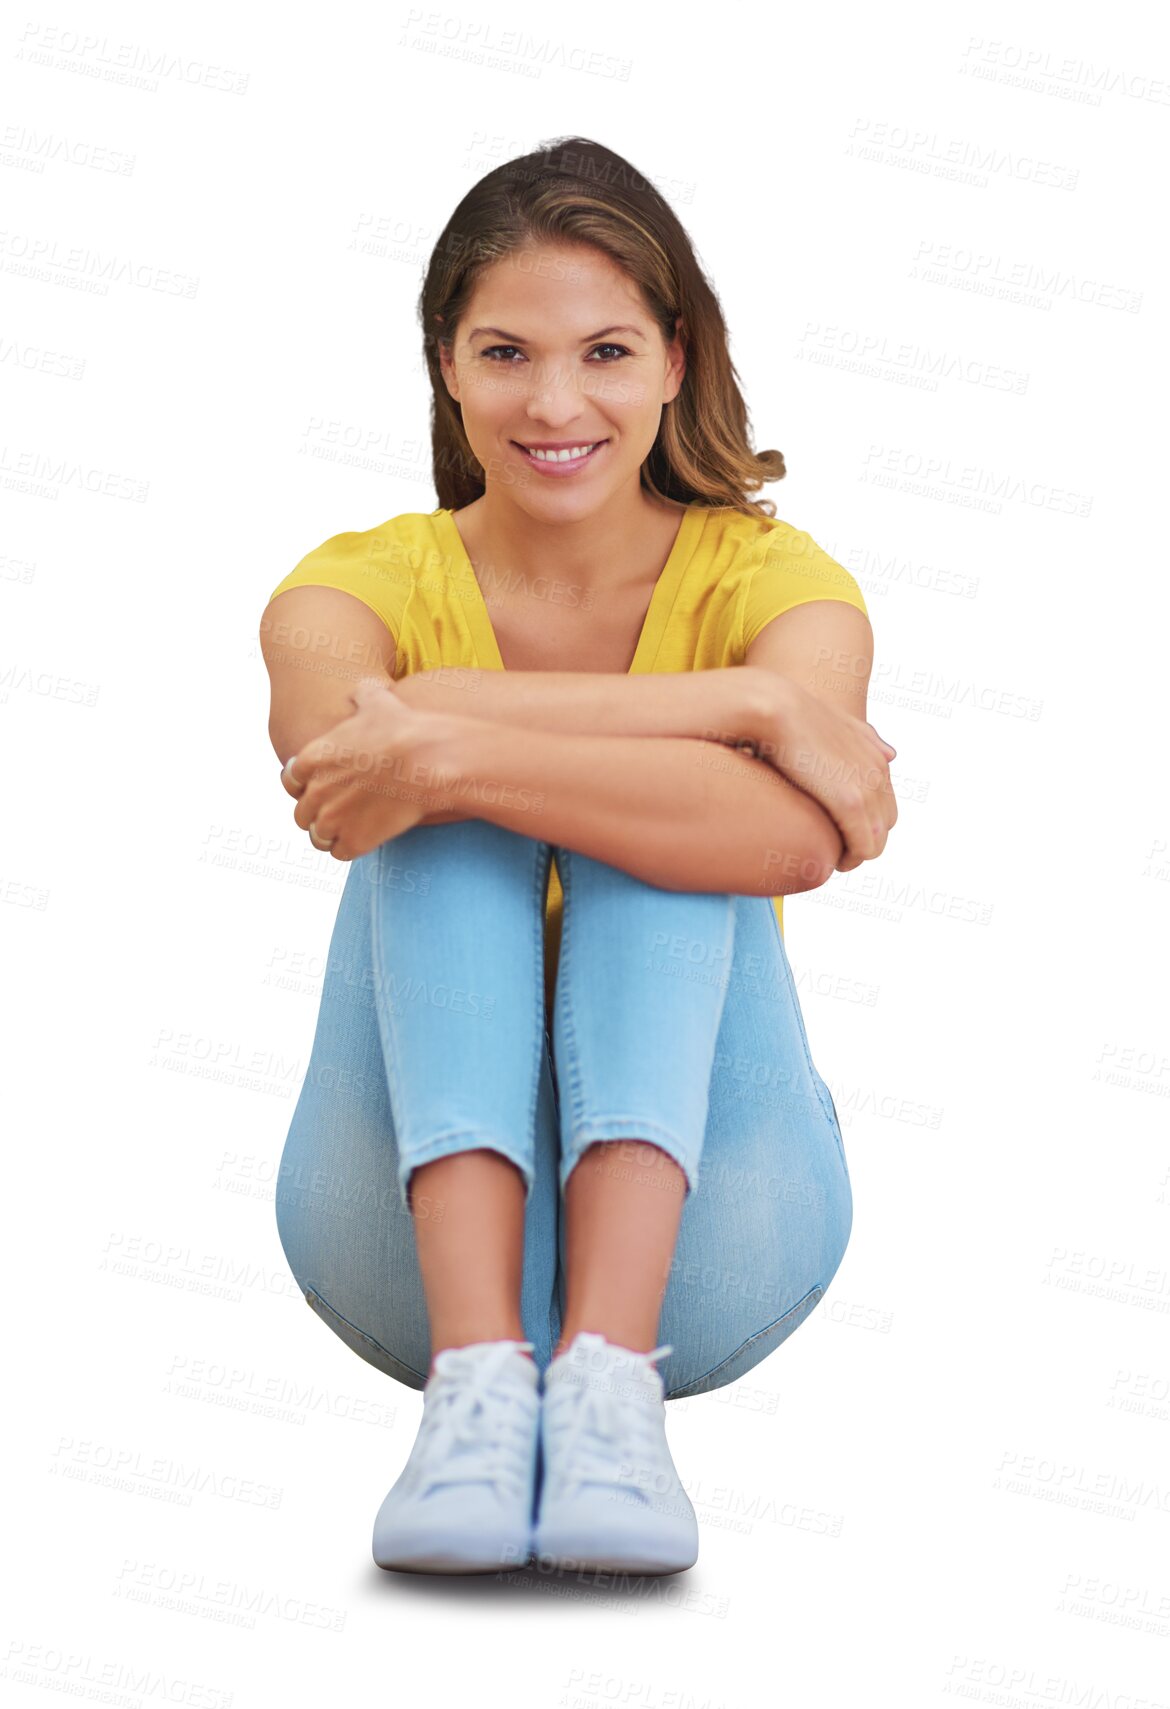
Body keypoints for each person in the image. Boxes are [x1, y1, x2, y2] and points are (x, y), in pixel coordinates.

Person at [258, 136, 897, 1579]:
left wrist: (449, 736)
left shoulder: (777, 584)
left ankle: (607, 1387)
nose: (554, 403)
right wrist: (739, 707)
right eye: (506, 353)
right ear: (446, 366)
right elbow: (339, 785)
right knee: (447, 828)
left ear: (676, 361)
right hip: (396, 1250)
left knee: (627, 826)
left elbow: (795, 838)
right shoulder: (340, 587)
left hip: (715, 1239)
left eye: (604, 350)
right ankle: (477, 1391)